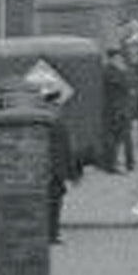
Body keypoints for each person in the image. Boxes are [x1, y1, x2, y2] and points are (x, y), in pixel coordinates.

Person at [45, 89, 79, 244]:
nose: (58, 108)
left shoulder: (41, 122)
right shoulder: (59, 124)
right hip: (55, 170)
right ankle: (52, 234)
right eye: (56, 105)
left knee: (50, 202)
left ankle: (50, 232)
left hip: (46, 169)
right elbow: (68, 150)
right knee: (54, 203)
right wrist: (73, 173)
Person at [102, 46, 137, 174]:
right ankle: (114, 164)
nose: (120, 59)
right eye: (117, 57)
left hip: (121, 109)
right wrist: (125, 73)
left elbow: (131, 85)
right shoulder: (109, 72)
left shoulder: (117, 70)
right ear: (112, 58)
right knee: (116, 138)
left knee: (124, 138)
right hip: (115, 110)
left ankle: (128, 163)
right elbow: (126, 85)